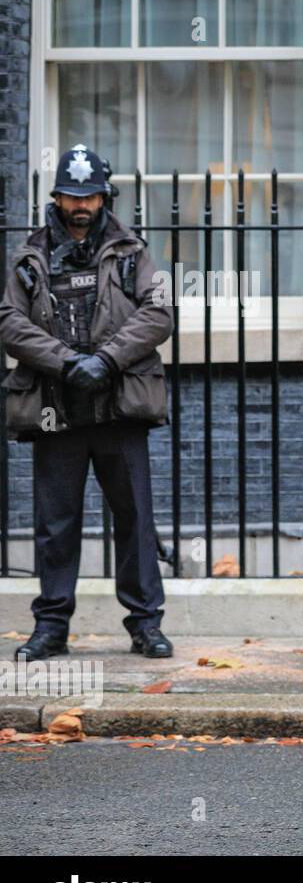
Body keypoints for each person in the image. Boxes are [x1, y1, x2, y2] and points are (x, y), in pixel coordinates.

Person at [0, 144, 174, 661]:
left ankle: (146, 625)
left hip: (119, 405)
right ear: (55, 196)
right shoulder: (30, 257)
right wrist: (67, 362)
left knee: (135, 519)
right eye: (73, 196)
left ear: (105, 197)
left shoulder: (132, 251)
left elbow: (159, 313)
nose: (81, 206)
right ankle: (51, 629)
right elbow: (9, 322)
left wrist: (107, 360)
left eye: (91, 196)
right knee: (57, 523)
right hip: (56, 406)